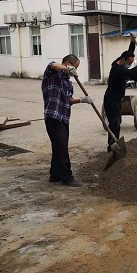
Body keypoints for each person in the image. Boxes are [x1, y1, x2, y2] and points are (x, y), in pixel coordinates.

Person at [41, 54, 93, 187]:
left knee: (58, 146)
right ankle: (67, 177)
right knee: (62, 147)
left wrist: (82, 100)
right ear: (68, 63)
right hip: (53, 116)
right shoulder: (52, 73)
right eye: (74, 67)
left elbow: (67, 101)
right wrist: (65, 68)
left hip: (64, 117)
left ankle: (55, 174)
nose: (75, 71)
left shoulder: (68, 83)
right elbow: (53, 65)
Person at [103, 35, 137, 151]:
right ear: (123, 60)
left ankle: (113, 143)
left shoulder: (118, 61)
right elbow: (131, 72)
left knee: (117, 122)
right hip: (111, 100)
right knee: (114, 123)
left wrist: (132, 42)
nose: (129, 64)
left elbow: (129, 52)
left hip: (116, 99)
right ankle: (112, 146)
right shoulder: (118, 69)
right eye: (129, 62)